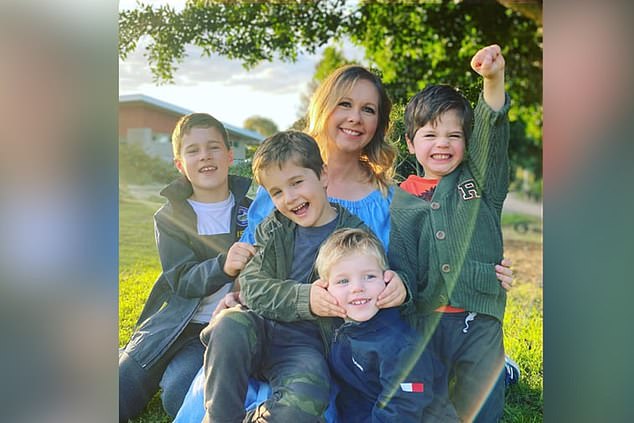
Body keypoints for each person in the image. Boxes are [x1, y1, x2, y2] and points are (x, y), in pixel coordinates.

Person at [174, 63, 514, 422]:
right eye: (345, 104)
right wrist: (238, 292)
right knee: (188, 398)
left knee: (320, 400)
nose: (355, 118)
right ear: (324, 108)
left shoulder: (388, 197)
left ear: (379, 123)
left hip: (334, 343)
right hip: (264, 325)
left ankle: (497, 367)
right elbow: (254, 263)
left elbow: (416, 257)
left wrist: (474, 269)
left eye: (368, 110)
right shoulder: (279, 187)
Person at [201, 130, 398, 422]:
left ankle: (257, 418)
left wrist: (395, 285)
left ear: (323, 176)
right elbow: (253, 287)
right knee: (229, 324)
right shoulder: (273, 228)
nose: (289, 198)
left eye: (296, 183)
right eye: (277, 192)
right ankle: (219, 418)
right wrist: (305, 298)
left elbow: (372, 285)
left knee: (306, 399)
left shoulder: (354, 236)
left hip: (304, 345)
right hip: (257, 326)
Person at [400, 44, 512, 422]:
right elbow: (399, 259)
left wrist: (493, 80)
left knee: (481, 405)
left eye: (454, 135)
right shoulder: (400, 198)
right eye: (430, 135)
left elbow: (492, 135)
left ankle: (501, 373)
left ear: (467, 141)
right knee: (424, 405)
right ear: (410, 143)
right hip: (423, 319)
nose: (443, 144)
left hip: (478, 315)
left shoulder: (480, 180)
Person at [118, 113, 255, 421]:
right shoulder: (169, 217)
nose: (204, 155)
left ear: (230, 155)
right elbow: (181, 279)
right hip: (171, 323)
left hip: (215, 328)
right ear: (179, 164)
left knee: (179, 394)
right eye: (192, 150)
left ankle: (172, 371)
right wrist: (224, 264)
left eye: (213, 147)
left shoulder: (252, 211)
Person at [314, 227, 459, 423]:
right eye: (343, 281)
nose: (357, 288)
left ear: (387, 279)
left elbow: (403, 407)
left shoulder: (401, 347)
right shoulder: (345, 332)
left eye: (369, 277)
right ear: (324, 288)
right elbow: (352, 396)